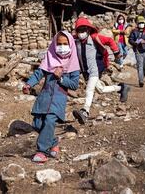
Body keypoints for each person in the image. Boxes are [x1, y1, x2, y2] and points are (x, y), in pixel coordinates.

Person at [23, 31, 80, 163]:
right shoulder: (49, 59)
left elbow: (74, 85)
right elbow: (38, 74)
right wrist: (28, 84)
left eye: (65, 44)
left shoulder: (73, 64)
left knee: (49, 121)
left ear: (70, 45)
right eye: (59, 44)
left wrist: (61, 78)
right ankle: (53, 142)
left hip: (58, 100)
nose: (61, 46)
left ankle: (42, 152)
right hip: (44, 98)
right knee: (37, 124)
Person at [72, 17, 130, 125]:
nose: (81, 32)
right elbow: (63, 39)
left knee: (89, 90)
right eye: (79, 30)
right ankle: (121, 87)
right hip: (85, 71)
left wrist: (116, 52)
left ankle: (85, 112)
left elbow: (109, 40)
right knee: (100, 89)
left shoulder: (95, 38)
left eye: (84, 30)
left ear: (88, 30)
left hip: (95, 69)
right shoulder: (75, 40)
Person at [129, 16, 145, 87]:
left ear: (144, 23)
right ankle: (141, 81)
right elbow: (130, 40)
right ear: (137, 23)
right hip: (138, 51)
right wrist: (135, 43)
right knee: (140, 66)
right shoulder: (134, 31)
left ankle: (142, 77)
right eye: (140, 23)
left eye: (142, 23)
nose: (141, 24)